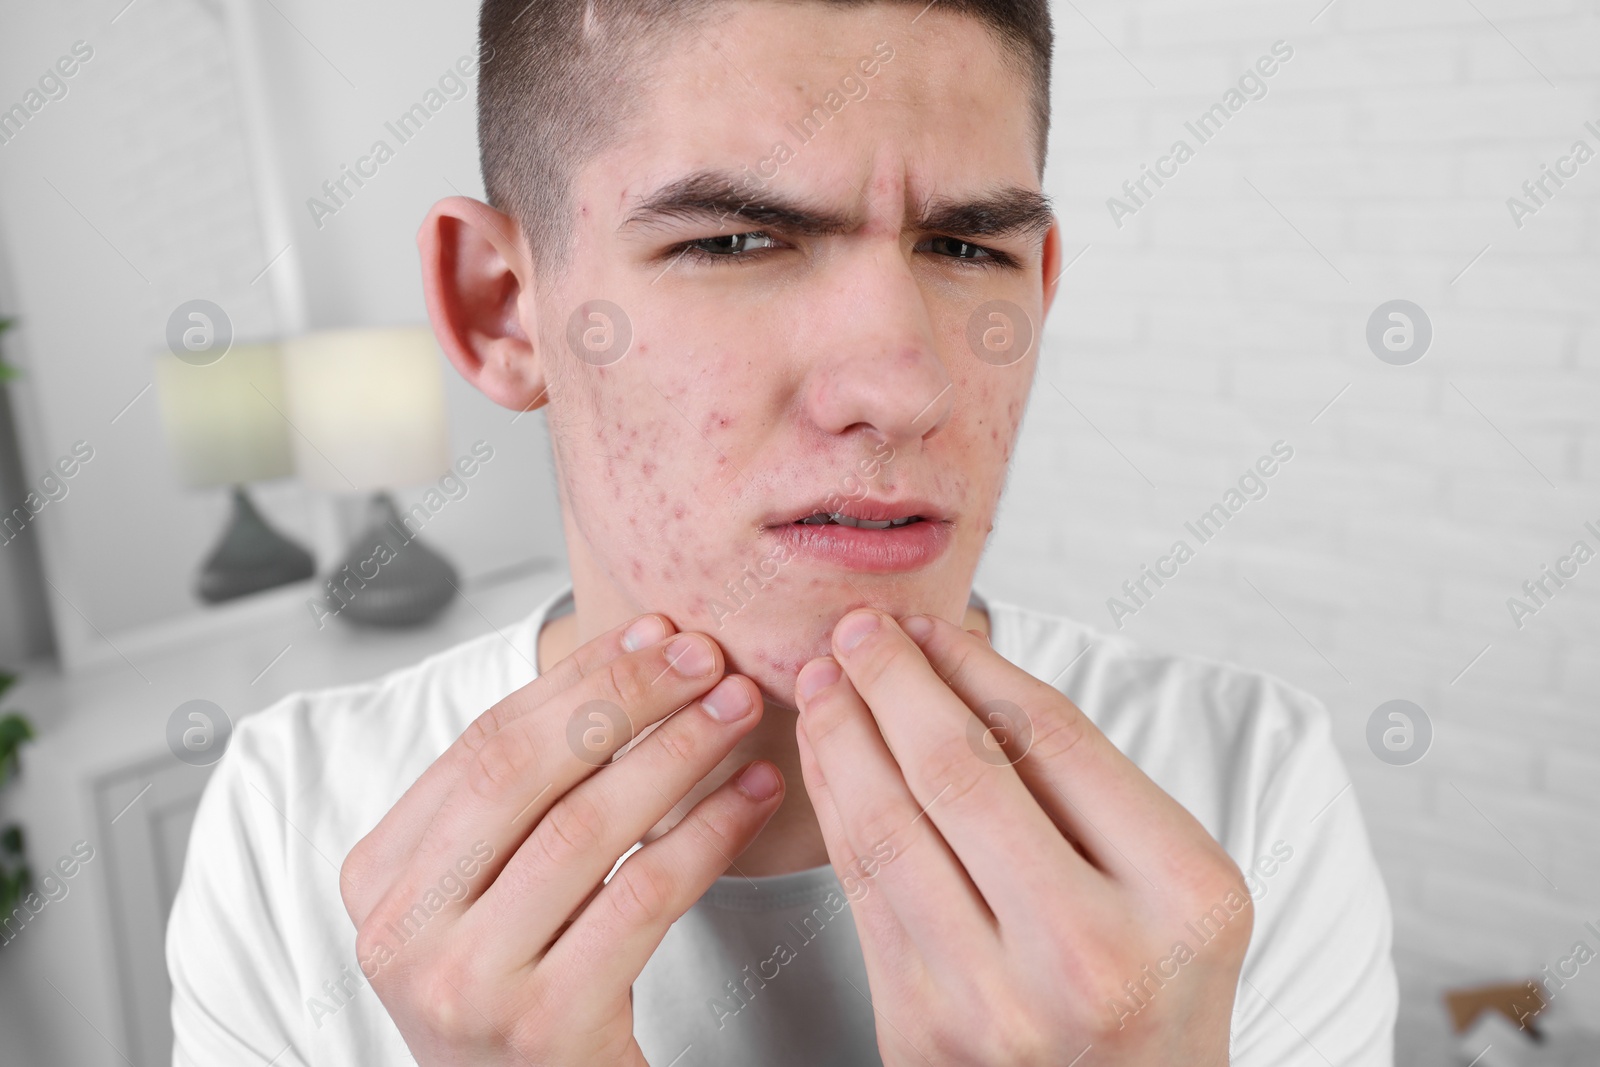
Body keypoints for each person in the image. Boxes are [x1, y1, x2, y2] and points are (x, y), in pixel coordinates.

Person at [168, 1, 1397, 1063]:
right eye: (734, 240)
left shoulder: (1247, 781)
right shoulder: (290, 823)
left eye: (969, 246)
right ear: (503, 307)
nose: (906, 384)